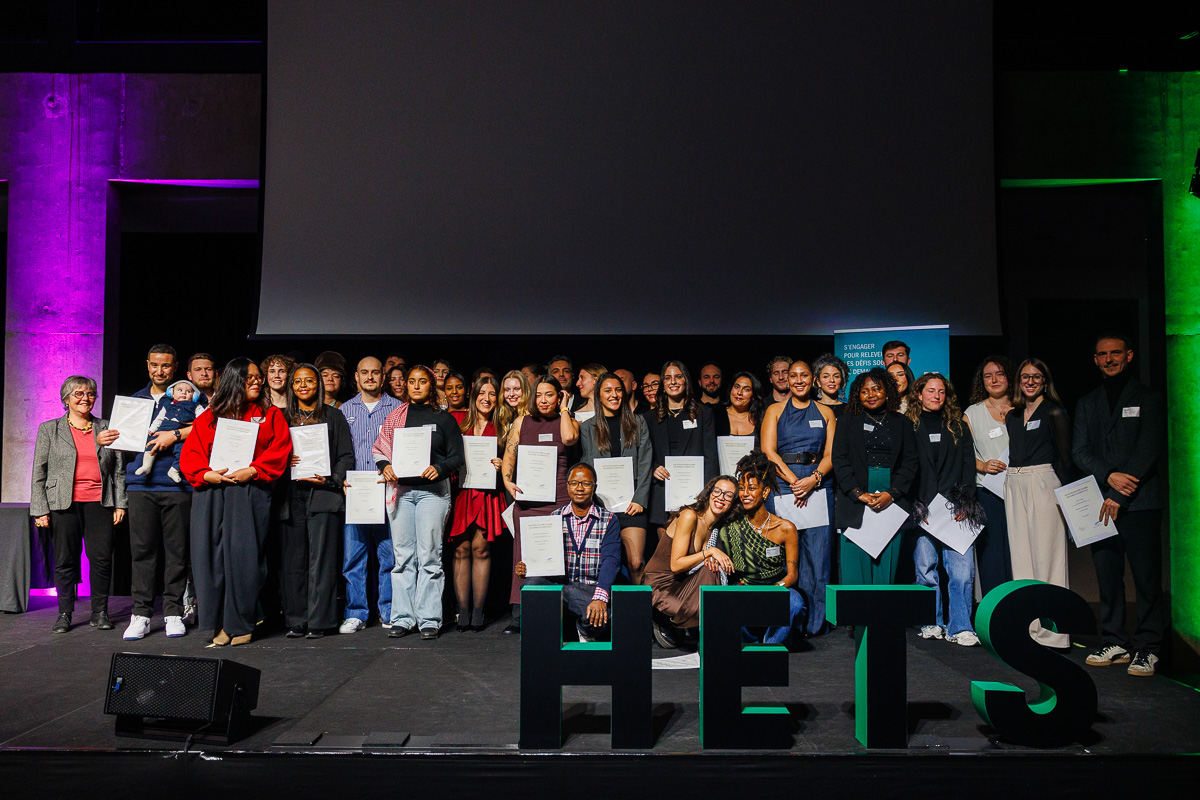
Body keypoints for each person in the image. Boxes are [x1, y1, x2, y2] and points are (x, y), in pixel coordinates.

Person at [180, 358, 291, 646]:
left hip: (249, 492)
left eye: (258, 378)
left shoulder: (270, 415)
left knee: (245, 559)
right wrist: (206, 474)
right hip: (212, 492)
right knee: (210, 560)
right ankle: (219, 623)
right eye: (248, 378)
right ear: (233, 381)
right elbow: (191, 455)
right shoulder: (210, 417)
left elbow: (280, 450)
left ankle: (240, 621)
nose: (256, 382)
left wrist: (253, 470)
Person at [1073, 333, 1166, 676]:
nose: (1109, 359)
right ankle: (1115, 640)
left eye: (1116, 353)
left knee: (1146, 577)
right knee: (1107, 577)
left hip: (1140, 503)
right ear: (1095, 360)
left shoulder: (1148, 398)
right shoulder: (1087, 402)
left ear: (1129, 356)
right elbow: (1079, 450)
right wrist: (1109, 475)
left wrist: (1121, 491)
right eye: (1102, 354)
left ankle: (1149, 647)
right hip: (1100, 502)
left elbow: (1150, 447)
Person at [373, 365, 464, 640]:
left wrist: (442, 468)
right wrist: (385, 465)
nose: (415, 386)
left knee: (429, 557)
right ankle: (402, 618)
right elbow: (380, 449)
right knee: (402, 558)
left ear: (431, 385)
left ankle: (429, 619)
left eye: (422, 381)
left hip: (433, 494)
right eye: (411, 381)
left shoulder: (444, 419)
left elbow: (457, 457)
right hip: (401, 491)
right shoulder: (396, 416)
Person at [31, 376, 125, 633]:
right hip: (63, 504)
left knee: (102, 559)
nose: (85, 398)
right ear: (66, 399)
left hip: (100, 503)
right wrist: (39, 509)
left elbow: (118, 470)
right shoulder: (50, 429)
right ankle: (64, 613)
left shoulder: (106, 427)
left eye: (90, 394)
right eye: (79, 394)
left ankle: (100, 612)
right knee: (65, 560)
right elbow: (39, 471)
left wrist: (120, 504)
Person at [123, 344, 196, 637]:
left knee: (177, 553)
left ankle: (173, 612)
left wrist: (175, 434)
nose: (160, 370)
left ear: (175, 367)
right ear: (147, 365)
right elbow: (123, 441)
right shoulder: (135, 400)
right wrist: (105, 437)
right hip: (141, 486)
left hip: (178, 485)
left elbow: (207, 427)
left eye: (166, 365)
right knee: (142, 552)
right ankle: (140, 614)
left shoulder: (189, 398)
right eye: (155, 365)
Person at [761, 360, 836, 636]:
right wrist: (794, 482)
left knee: (818, 557)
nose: (799, 380)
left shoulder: (826, 412)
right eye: (793, 376)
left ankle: (815, 625)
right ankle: (787, 621)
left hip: (818, 486)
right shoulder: (775, 410)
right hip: (783, 486)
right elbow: (768, 452)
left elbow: (831, 455)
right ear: (787, 380)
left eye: (804, 375)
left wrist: (814, 479)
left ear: (813, 379)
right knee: (783, 558)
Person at [908, 373, 983, 646]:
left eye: (941, 391)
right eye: (930, 391)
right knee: (926, 570)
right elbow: (907, 469)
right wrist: (916, 504)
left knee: (962, 573)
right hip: (923, 511)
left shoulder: (958, 427)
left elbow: (968, 467)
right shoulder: (909, 426)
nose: (936, 396)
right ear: (919, 395)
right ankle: (932, 622)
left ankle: (961, 626)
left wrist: (965, 502)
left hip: (956, 510)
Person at [280, 364, 355, 638]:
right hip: (290, 496)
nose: (303, 386)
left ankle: (321, 621)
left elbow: (347, 455)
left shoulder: (334, 416)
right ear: (292, 386)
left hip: (324, 495)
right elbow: (271, 453)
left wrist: (331, 479)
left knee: (322, 560)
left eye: (309, 381)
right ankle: (297, 620)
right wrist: (284, 461)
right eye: (298, 381)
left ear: (318, 385)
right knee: (293, 561)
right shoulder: (282, 417)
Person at [501, 376, 579, 634]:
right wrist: (507, 481)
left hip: (558, 499)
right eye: (539, 395)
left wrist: (565, 408)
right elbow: (509, 454)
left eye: (550, 395)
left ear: (559, 396)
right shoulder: (522, 421)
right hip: (528, 499)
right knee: (523, 556)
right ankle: (520, 616)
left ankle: (557, 615)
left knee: (556, 557)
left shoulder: (567, 420)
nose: (544, 400)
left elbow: (568, 439)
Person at [1004, 357, 1072, 649]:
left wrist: (1069, 498)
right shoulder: (1012, 414)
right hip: (1014, 482)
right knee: (1021, 558)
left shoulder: (1054, 411)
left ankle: (1054, 634)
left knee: (1048, 557)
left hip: (1044, 479)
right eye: (1024, 376)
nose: (1030, 381)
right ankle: (1029, 629)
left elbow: (1066, 458)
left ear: (1045, 380)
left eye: (1036, 376)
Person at [514, 463, 621, 642]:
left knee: (602, 619)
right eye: (574, 483)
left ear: (595, 487)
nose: (579, 488)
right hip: (561, 586)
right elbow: (543, 557)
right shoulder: (555, 517)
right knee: (532, 584)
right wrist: (529, 567)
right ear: (567, 486)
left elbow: (611, 560)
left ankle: (578, 630)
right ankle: (540, 640)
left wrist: (600, 598)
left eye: (586, 484)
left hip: (589, 589)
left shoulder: (609, 520)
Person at [831, 368, 918, 587]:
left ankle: (882, 622)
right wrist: (857, 493)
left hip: (892, 498)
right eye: (864, 391)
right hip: (855, 500)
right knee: (854, 573)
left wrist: (892, 493)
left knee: (885, 573)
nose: (871, 394)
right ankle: (858, 622)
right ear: (857, 395)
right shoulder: (846, 422)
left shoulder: (903, 423)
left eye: (876, 389)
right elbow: (839, 459)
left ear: (888, 392)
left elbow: (910, 463)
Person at [714, 452, 807, 645]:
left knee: (796, 604)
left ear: (765, 492)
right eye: (742, 488)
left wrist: (773, 590)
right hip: (744, 587)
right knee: (729, 604)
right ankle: (750, 643)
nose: (745, 494)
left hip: (776, 588)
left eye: (751, 488)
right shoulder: (731, 526)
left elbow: (792, 575)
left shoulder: (786, 528)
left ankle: (771, 645)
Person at [338, 357, 402, 633]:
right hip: (356, 493)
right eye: (364, 372)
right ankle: (357, 613)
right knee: (354, 557)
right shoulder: (344, 409)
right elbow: (339, 451)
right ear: (356, 376)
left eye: (375, 373)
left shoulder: (398, 408)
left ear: (383, 376)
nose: (370, 377)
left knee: (389, 556)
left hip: (388, 492)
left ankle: (388, 611)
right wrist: (340, 478)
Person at [644, 475, 737, 647]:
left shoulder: (715, 528)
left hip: (684, 581)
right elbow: (676, 565)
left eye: (728, 495)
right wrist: (710, 552)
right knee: (710, 569)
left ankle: (710, 638)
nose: (721, 497)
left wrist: (711, 559)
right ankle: (660, 617)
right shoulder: (689, 516)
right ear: (709, 493)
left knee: (713, 569)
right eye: (718, 491)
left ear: (733, 502)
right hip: (660, 584)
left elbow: (700, 564)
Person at [579, 373, 653, 585]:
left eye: (618, 390)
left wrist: (640, 499)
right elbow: (587, 465)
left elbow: (646, 462)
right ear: (598, 395)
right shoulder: (587, 428)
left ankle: (640, 613)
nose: (614, 395)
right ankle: (605, 612)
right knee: (604, 564)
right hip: (601, 506)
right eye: (608, 391)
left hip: (632, 505)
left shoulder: (638, 422)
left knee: (636, 562)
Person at [448, 377, 505, 632]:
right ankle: (463, 611)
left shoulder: (503, 425)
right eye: (482, 393)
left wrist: (503, 464)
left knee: (481, 550)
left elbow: (513, 458)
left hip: (488, 494)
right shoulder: (459, 423)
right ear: (474, 396)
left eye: (492, 394)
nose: (487, 398)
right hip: (463, 491)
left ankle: (479, 612)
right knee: (461, 550)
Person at [646, 361, 719, 539]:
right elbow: (643, 455)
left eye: (678, 377)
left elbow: (710, 457)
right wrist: (654, 467)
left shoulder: (703, 413)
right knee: (665, 551)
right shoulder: (648, 418)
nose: (673, 382)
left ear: (686, 380)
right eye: (668, 378)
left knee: (690, 549)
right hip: (662, 491)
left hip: (693, 492)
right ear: (663, 383)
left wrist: (708, 494)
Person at [963, 355, 1016, 596]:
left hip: (1021, 490)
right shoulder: (972, 413)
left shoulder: (1024, 408)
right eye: (988, 375)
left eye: (1000, 373)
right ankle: (995, 608)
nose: (994, 379)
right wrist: (982, 465)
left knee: (1019, 550)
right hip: (988, 492)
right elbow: (961, 454)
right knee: (992, 553)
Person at [133, 379, 201, 485]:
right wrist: (152, 429)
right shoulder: (167, 405)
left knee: (184, 452)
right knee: (151, 444)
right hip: (163, 429)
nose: (184, 393)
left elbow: (202, 420)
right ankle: (146, 466)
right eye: (180, 390)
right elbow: (159, 419)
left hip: (182, 433)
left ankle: (174, 470)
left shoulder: (196, 406)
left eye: (188, 392)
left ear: (194, 396)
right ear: (172, 394)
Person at [714, 371, 765, 440]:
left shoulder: (761, 418)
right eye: (736, 387)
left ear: (753, 396)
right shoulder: (715, 414)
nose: (739, 392)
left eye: (746, 389)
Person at [497, 370, 532, 451]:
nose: (511, 394)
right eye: (507, 390)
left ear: (525, 390)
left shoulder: (532, 416)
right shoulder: (504, 416)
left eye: (516, 389)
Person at [812, 353, 849, 418]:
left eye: (836, 376)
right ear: (818, 381)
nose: (832, 380)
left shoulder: (849, 410)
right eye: (826, 376)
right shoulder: (811, 408)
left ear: (842, 380)